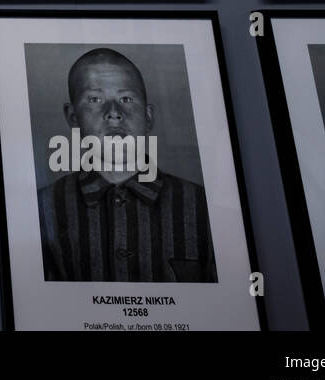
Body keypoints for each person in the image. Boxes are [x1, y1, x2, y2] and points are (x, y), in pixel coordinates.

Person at [37, 48, 216, 282]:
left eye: (126, 99)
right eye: (94, 99)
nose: (113, 113)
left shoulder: (203, 205)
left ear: (148, 116)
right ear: (72, 116)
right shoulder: (42, 208)